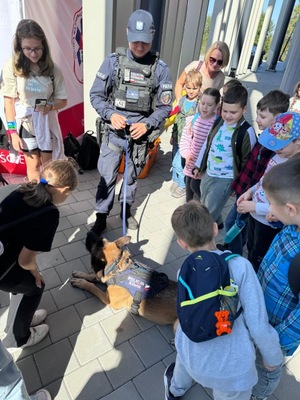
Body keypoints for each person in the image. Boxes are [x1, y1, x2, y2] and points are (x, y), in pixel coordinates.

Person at [164, 200, 283, 400]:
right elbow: (257, 323)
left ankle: (175, 390)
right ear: (214, 229)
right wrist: (272, 357)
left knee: (182, 359)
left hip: (191, 354)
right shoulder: (241, 266)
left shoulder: (183, 269)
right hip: (230, 370)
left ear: (182, 244)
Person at [89, 9, 172, 238]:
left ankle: (125, 213)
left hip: (140, 139)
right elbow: (96, 95)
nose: (139, 46)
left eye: (144, 41)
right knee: (107, 178)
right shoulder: (113, 62)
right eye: (135, 40)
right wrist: (109, 114)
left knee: (131, 179)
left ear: (152, 35)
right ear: (127, 33)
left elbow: (165, 106)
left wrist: (147, 124)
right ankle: (101, 218)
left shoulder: (160, 69)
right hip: (113, 135)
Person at [0, 159, 78, 349]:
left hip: (4, 250)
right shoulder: (49, 213)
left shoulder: (22, 189)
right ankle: (19, 337)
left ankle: (20, 320)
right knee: (36, 286)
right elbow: (25, 260)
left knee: (23, 285)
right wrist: (35, 272)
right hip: (3, 264)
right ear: (64, 189)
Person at [251, 155, 300, 400]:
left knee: (266, 369)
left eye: (270, 203)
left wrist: (274, 347)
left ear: (290, 209)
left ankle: (258, 395)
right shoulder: (292, 226)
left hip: (276, 333)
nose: (269, 209)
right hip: (262, 316)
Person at [220, 90, 290, 255]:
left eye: (262, 117)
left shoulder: (279, 149)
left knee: (235, 223)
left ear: (279, 118)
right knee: (239, 225)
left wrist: (252, 194)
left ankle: (234, 253)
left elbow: (267, 177)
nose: (257, 120)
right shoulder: (266, 137)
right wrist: (243, 189)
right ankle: (234, 248)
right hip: (249, 189)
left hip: (258, 201)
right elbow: (251, 165)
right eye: (257, 115)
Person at [1, 19, 67, 182]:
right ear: (19, 47)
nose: (33, 53)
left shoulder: (53, 69)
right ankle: (37, 202)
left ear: (43, 45)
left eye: (37, 48)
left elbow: (63, 101)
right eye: (28, 49)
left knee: (49, 166)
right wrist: (12, 132)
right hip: (26, 124)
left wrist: (50, 106)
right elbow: (8, 102)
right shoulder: (11, 67)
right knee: (33, 166)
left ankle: (48, 200)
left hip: (46, 123)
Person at [237, 111, 300, 272]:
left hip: (268, 222)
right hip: (255, 214)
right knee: (251, 247)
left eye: (281, 145)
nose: (275, 147)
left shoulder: (293, 170)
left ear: (297, 142)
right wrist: (250, 191)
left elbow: (285, 206)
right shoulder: (278, 156)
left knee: (259, 255)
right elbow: (264, 179)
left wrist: (254, 207)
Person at [193, 85, 256, 229]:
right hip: (209, 172)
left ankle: (202, 238)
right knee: (205, 203)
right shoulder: (219, 122)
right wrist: (199, 166)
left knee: (207, 213)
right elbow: (208, 144)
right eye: (225, 111)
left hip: (226, 178)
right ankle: (218, 221)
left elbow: (249, 162)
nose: (228, 115)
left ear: (244, 109)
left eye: (233, 112)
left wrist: (241, 185)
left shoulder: (247, 132)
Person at [179, 87, 220, 201]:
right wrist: (186, 154)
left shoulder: (217, 124)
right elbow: (185, 140)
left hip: (204, 167)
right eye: (203, 103)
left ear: (217, 106)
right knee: (189, 193)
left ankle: (198, 215)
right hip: (191, 163)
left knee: (197, 193)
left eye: (209, 104)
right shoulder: (193, 120)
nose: (205, 107)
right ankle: (189, 214)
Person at [171, 69, 202, 198]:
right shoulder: (183, 99)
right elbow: (177, 119)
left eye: (194, 88)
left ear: (200, 88)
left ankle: (182, 185)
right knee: (174, 159)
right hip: (178, 135)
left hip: (188, 140)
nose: (191, 91)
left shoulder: (199, 104)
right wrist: (173, 135)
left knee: (181, 162)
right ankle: (176, 180)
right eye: (188, 87)